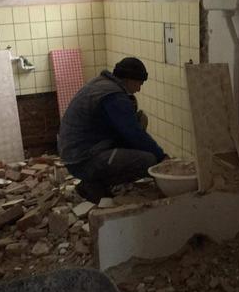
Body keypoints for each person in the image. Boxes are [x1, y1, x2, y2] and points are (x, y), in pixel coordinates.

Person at [59, 57, 167, 203]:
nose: (139, 89)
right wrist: (161, 157)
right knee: (148, 160)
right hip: (82, 160)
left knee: (140, 119)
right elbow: (134, 133)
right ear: (129, 79)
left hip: (77, 152)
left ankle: (94, 182)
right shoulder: (114, 96)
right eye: (139, 84)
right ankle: (93, 185)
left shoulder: (102, 83)